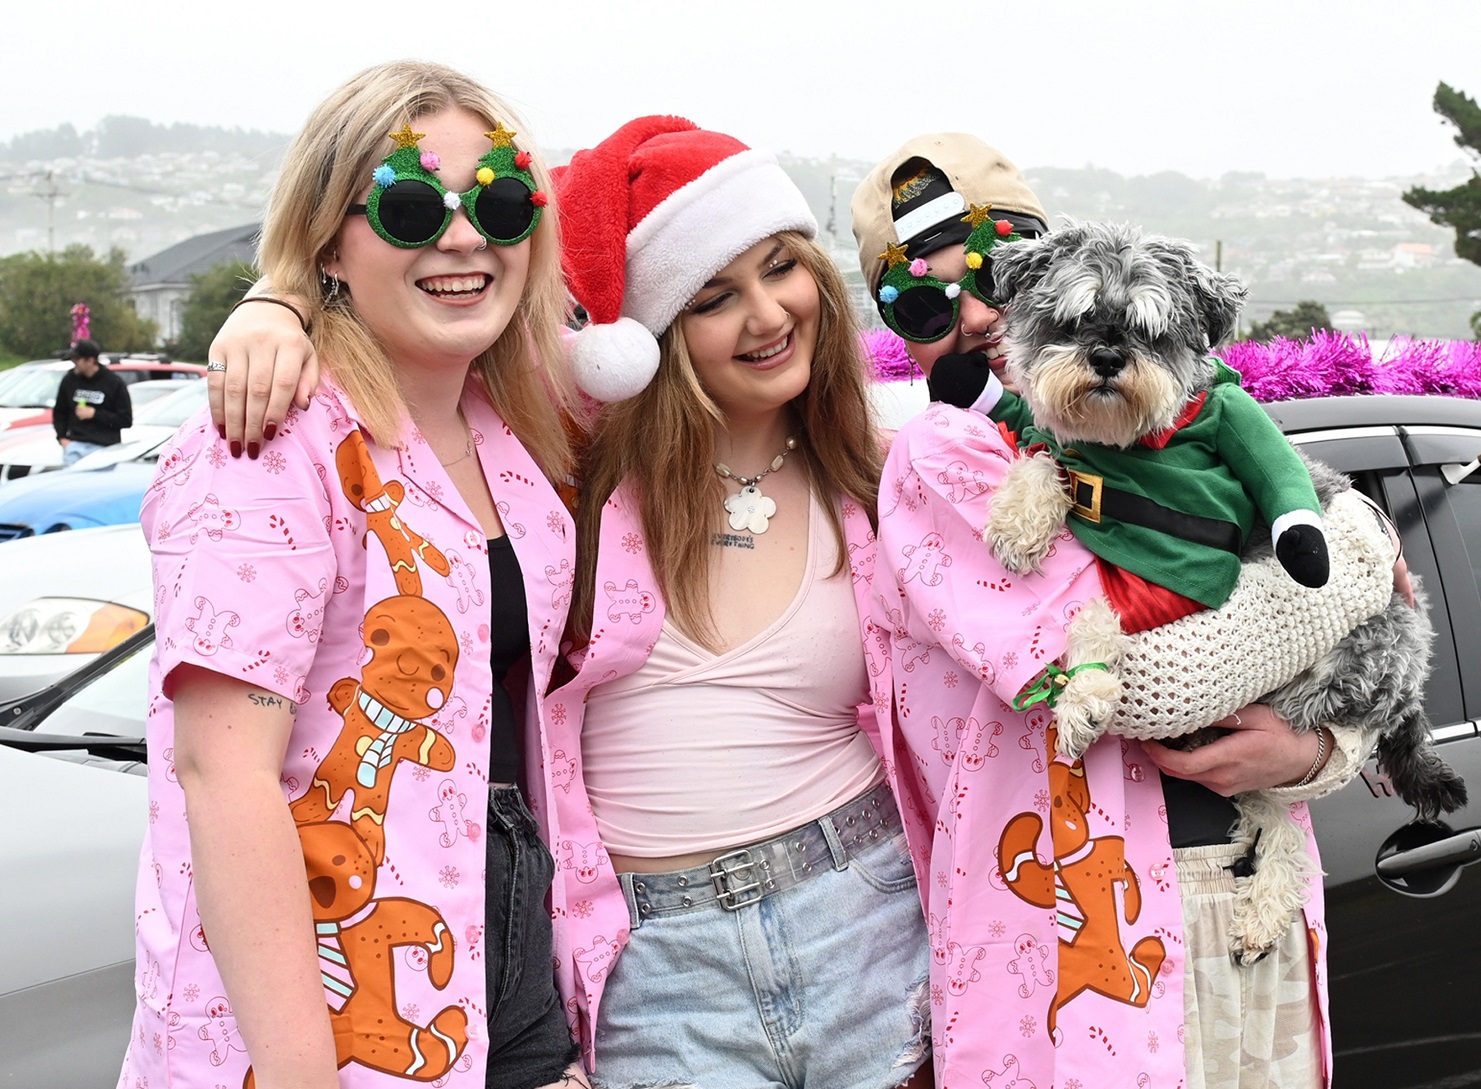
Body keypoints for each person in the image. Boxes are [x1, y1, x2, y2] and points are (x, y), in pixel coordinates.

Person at [852, 134, 1400, 1089]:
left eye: (989, 269)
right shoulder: (947, 460)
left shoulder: (1173, 428)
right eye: (925, 299)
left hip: (1244, 888)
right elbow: (1135, 680)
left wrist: (1320, 751)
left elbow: (1305, 650)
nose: (975, 314)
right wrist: (1353, 554)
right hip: (1085, 940)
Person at [122, 60, 588, 1089]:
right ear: (332, 237)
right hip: (325, 994)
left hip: (498, 963)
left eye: (502, 203)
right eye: (413, 207)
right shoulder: (274, 436)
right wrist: (296, 1074)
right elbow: (221, 773)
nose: (465, 238)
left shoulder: (511, 434)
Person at [542, 116, 929, 1089]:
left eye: (779, 268)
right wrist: (278, 309)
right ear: (652, 341)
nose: (766, 314)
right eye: (714, 296)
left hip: (868, 918)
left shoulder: (885, 483)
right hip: (657, 966)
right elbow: (440, 303)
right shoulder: (569, 486)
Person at [54, 337, 131, 464]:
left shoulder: (113, 382)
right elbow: (60, 412)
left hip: (105, 447)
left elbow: (125, 420)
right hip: (75, 445)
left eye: (77, 359)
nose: (74, 363)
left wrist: (95, 414)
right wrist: (62, 437)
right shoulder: (70, 380)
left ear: (90, 360)